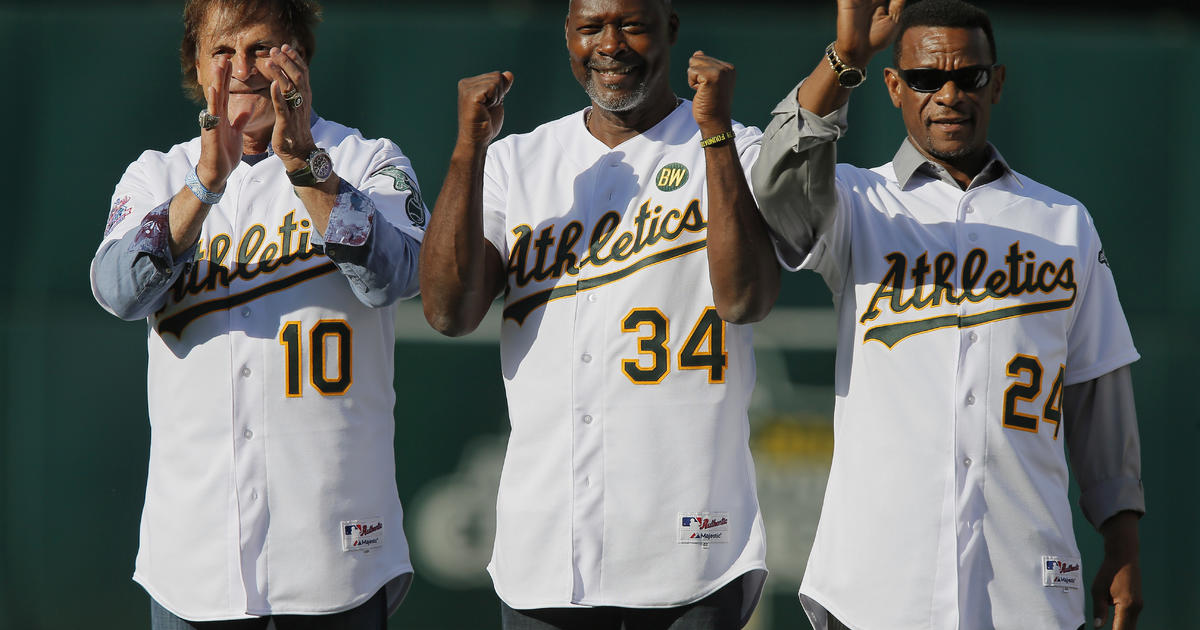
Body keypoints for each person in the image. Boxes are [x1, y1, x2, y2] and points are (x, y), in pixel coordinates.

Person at [743, 0, 1145, 628]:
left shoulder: (1063, 221)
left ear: (998, 82)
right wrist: (843, 60)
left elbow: (1098, 389)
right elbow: (773, 185)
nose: (950, 94)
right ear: (895, 87)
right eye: (928, 79)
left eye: (970, 77)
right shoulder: (857, 200)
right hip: (878, 582)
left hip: (1026, 578)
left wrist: (1122, 543)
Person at [419, 0, 780, 627]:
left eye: (632, 25)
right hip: (546, 548)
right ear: (568, 37)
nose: (610, 44)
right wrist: (467, 151)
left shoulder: (733, 146)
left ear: (670, 28)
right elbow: (449, 311)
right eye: (591, 27)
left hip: (692, 545)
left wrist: (714, 135)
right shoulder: (515, 161)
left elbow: (747, 297)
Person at [89, 0, 428, 627]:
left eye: (262, 48)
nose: (241, 68)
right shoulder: (158, 175)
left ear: (298, 56)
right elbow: (116, 290)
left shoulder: (366, 161)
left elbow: (395, 277)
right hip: (194, 562)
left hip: (336, 553)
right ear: (196, 64)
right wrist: (202, 188)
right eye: (222, 51)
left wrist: (307, 169)